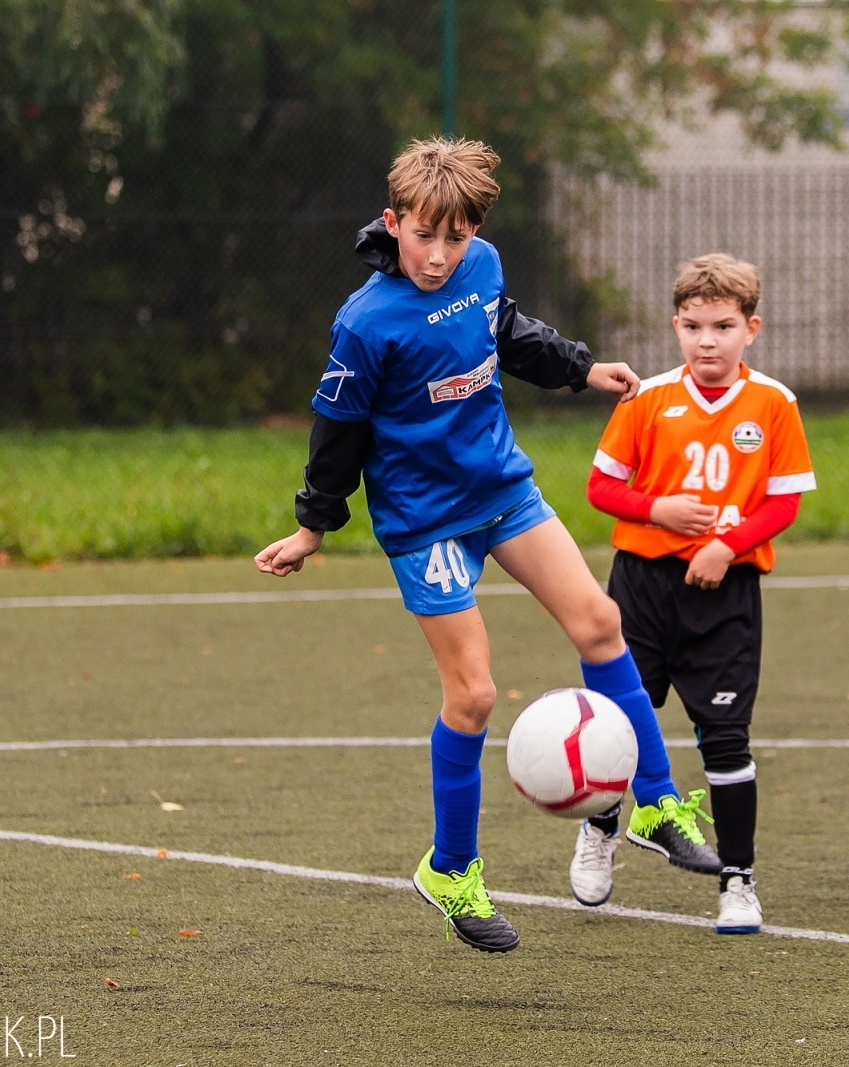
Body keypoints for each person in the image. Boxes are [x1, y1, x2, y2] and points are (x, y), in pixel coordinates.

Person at [254, 138, 718, 954]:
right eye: (425, 236)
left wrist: (580, 368)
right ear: (394, 223)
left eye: (456, 238)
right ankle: (452, 868)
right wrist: (312, 525)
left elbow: (503, 330)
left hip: (501, 489)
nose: (440, 256)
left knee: (600, 623)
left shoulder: (483, 266)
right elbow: (337, 431)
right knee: (472, 696)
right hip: (426, 520)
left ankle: (651, 800)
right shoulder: (365, 324)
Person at [577, 254, 816, 934]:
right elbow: (602, 488)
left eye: (722, 326)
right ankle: (601, 832)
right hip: (642, 587)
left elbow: (783, 501)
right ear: (675, 326)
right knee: (616, 724)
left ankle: (738, 881)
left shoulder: (773, 403)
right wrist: (660, 512)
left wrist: (724, 545)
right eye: (692, 326)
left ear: (751, 328)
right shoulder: (646, 397)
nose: (707, 340)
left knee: (727, 739)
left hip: (725, 591)